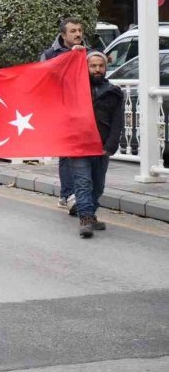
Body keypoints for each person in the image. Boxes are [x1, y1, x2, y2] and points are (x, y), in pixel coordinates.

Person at [69, 52, 123, 238]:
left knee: (98, 185)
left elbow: (117, 122)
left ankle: (90, 213)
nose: (97, 69)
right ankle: (85, 217)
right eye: (93, 66)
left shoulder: (113, 92)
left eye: (100, 66)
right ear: (85, 68)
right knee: (83, 183)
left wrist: (110, 146)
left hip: (101, 147)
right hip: (79, 145)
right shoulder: (74, 90)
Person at [41, 17, 89, 208]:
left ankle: (82, 193)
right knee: (66, 152)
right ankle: (68, 194)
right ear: (63, 35)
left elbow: (97, 74)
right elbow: (43, 80)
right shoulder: (50, 54)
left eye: (79, 30)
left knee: (84, 152)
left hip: (84, 110)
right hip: (61, 110)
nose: (78, 34)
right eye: (73, 31)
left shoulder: (89, 52)